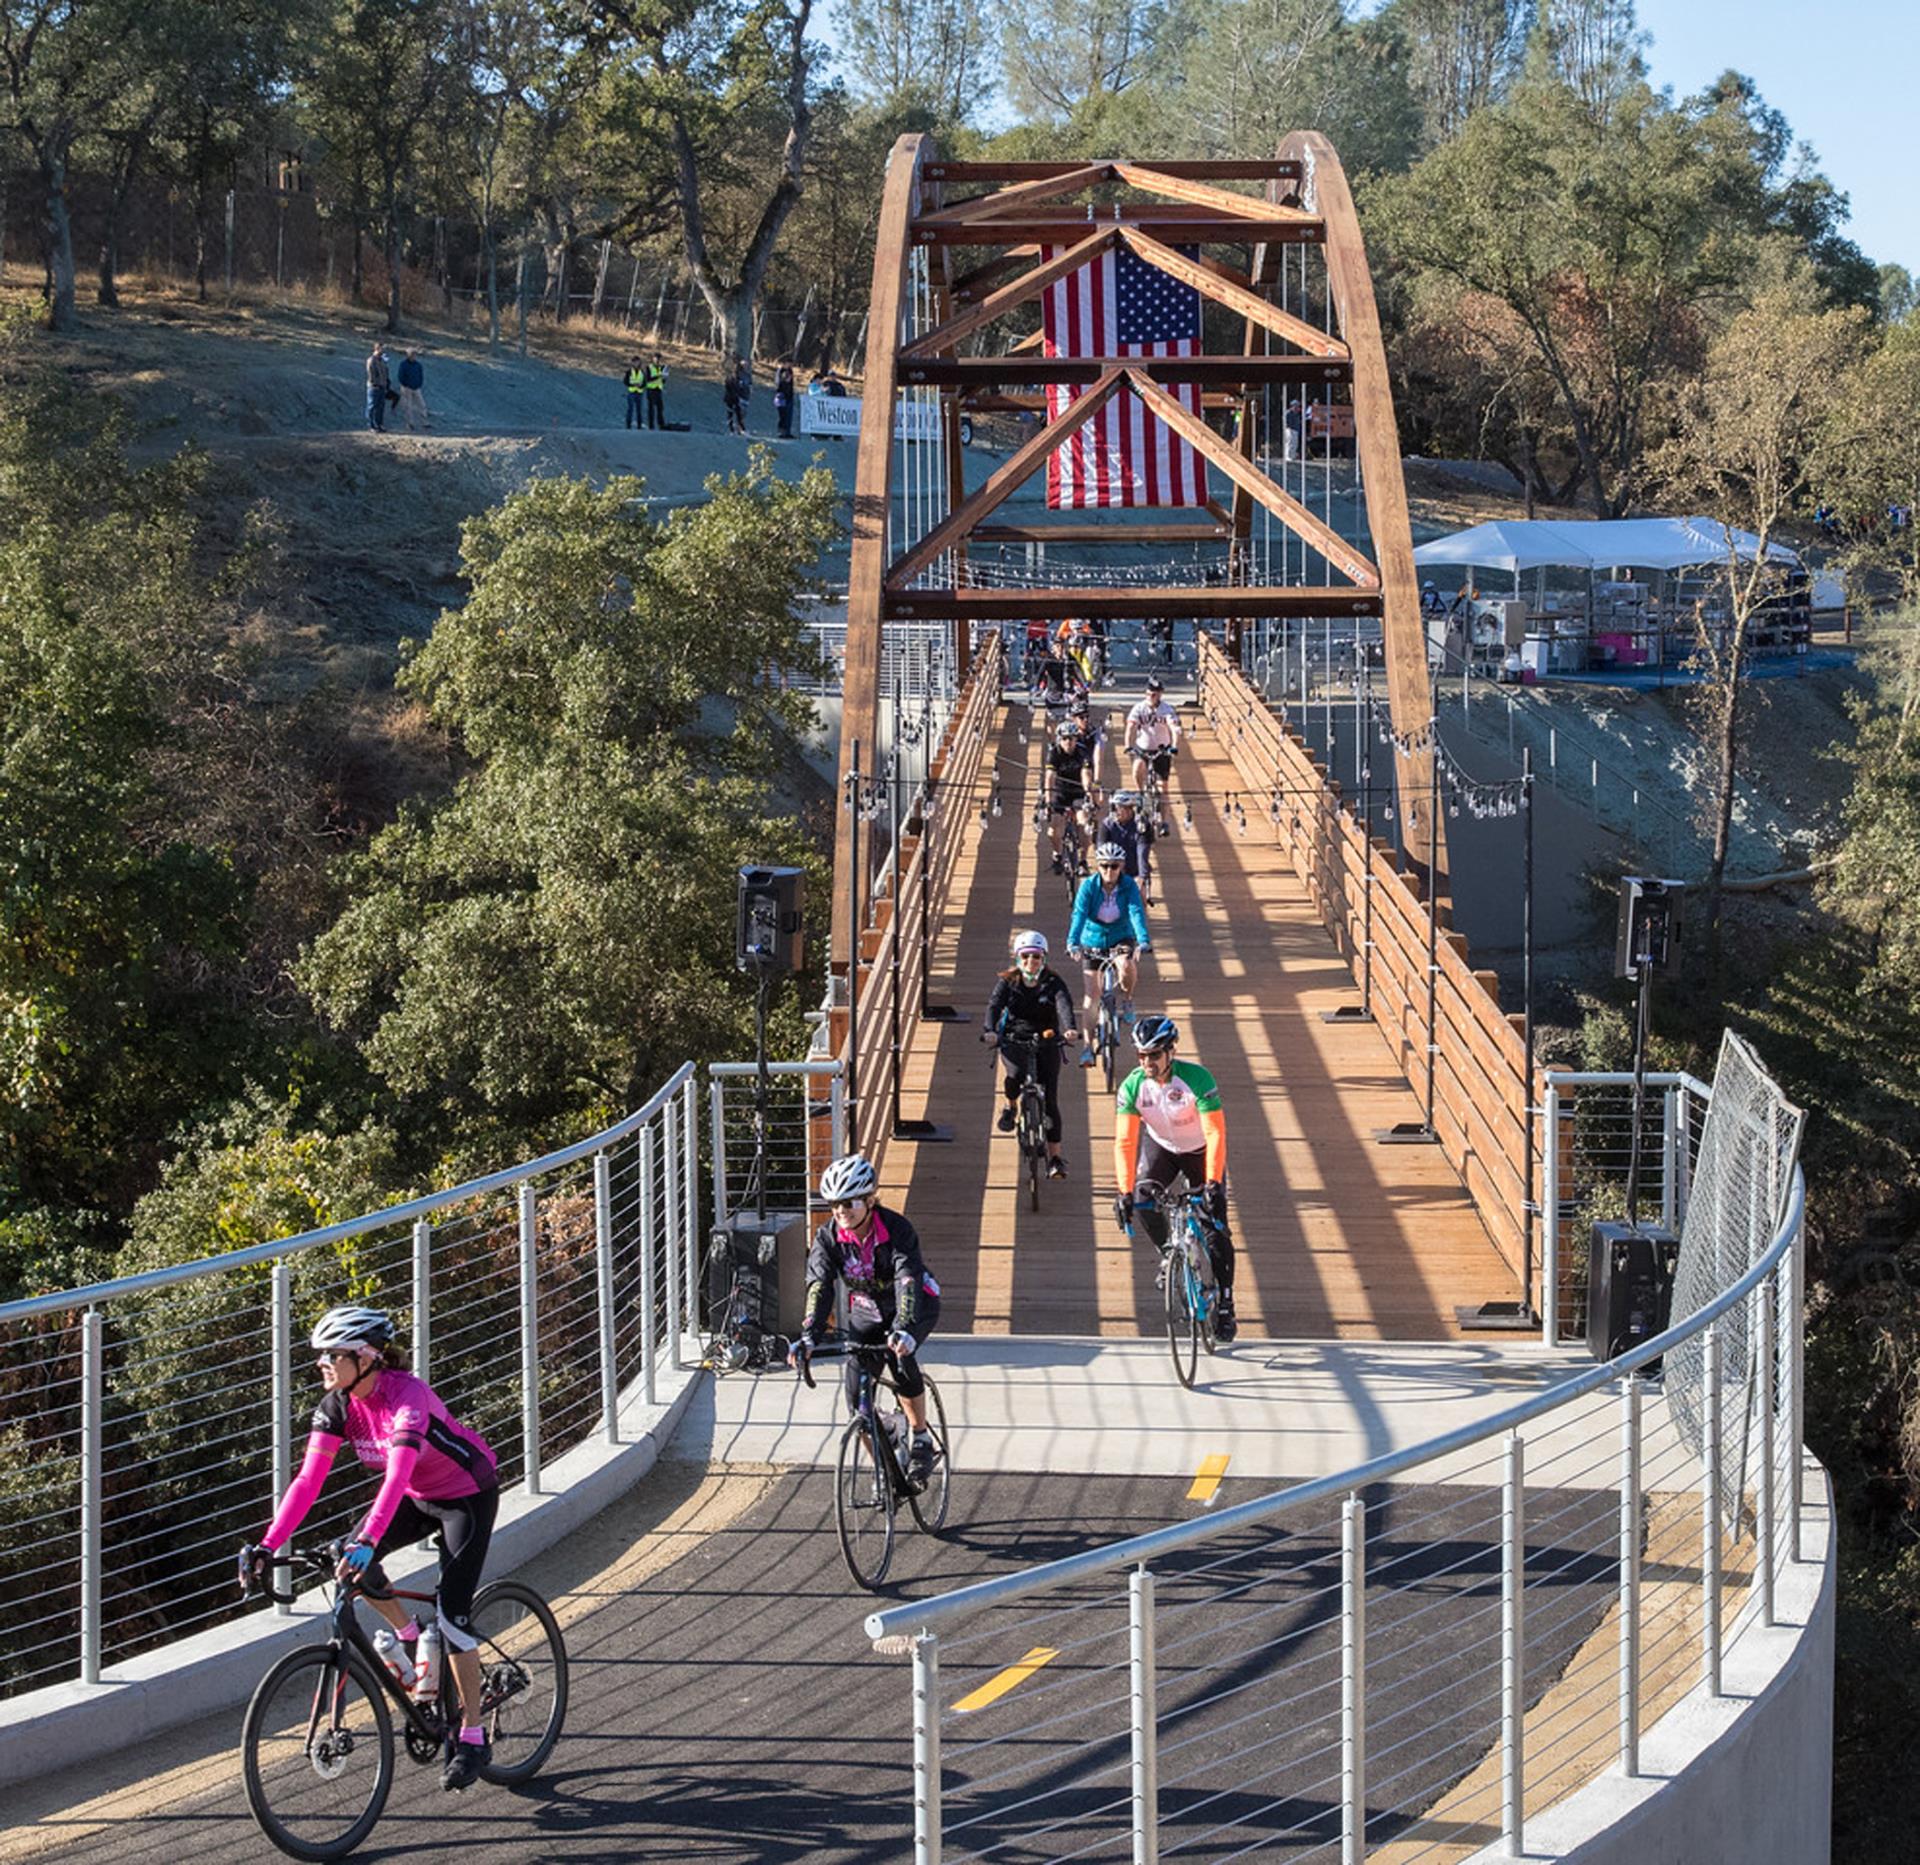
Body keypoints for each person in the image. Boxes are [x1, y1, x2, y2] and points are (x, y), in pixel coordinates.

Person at [244, 1306, 501, 1790]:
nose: (321, 1363)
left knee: (452, 1618)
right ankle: (409, 1637)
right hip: (413, 1498)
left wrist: (367, 1540)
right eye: (321, 1354)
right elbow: (307, 1481)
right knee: (351, 1565)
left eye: (332, 1355)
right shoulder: (338, 1403)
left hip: (465, 1496)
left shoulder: (408, 1398)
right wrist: (267, 1543)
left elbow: (397, 1474)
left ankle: (471, 1735)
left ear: (366, 1357)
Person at [789, 1155, 943, 1486]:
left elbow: (906, 1279)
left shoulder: (897, 1229)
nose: (841, 1212)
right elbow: (819, 1285)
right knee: (858, 1405)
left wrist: (904, 1327)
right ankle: (885, 1469)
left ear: (869, 1200)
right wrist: (808, 1335)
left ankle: (920, 1437)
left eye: (848, 1203)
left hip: (915, 1302)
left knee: (900, 1358)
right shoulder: (828, 1237)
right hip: (868, 1309)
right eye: (834, 1206)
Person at [1111, 1017, 1236, 1341]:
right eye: (1141, 1055)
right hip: (1162, 1148)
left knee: (1214, 1227)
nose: (1146, 1062)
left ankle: (1225, 1302)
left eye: (1153, 1055)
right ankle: (1169, 1252)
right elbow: (1125, 1142)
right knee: (1141, 1201)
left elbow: (1215, 1132)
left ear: (1170, 1052)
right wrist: (1123, 1191)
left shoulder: (1197, 1079)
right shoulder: (1133, 1086)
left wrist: (1212, 1184)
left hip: (1200, 1150)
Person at [982, 930, 1080, 1177]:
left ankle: (1055, 1157)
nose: (1030, 962)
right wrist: (990, 1031)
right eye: (1025, 957)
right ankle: (1011, 1105)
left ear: (1044, 958)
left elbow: (1064, 1004)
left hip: (1047, 1038)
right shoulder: (1008, 982)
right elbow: (994, 1005)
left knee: (1050, 1101)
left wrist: (1069, 1029)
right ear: (1017, 958)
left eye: (1036, 957)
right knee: (1014, 1076)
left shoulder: (1053, 982)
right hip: (1014, 1036)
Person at [1067, 845, 1151, 1062]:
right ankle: (1087, 1046)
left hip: (1120, 935)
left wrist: (1142, 940)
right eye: (1104, 866)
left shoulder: (1128, 885)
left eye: (1114, 866)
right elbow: (1079, 914)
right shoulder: (1088, 887)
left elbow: (1136, 911)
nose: (1109, 871)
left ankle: (1128, 999)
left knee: (1126, 965)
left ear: (1121, 866)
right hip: (1092, 939)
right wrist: (1073, 942)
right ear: (1098, 866)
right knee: (1091, 996)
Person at [1126, 677, 1181, 827]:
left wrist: (1174, 746)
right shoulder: (1139, 708)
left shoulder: (1167, 710)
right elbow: (1130, 728)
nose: (1152, 697)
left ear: (1160, 694)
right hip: (1143, 748)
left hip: (1161, 750)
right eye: (1149, 694)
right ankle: (1140, 793)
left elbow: (1173, 728)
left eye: (1155, 694)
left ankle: (1164, 822)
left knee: (1163, 788)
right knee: (1137, 767)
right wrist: (1128, 745)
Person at [1046, 716, 1097, 874]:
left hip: (1078, 792)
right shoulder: (1054, 753)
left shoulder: (1082, 752)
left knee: (1084, 824)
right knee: (1055, 828)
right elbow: (1050, 778)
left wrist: (1088, 794)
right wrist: (1048, 801)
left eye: (1072, 738)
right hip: (1060, 792)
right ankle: (1057, 855)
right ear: (1059, 739)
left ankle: (1082, 860)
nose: (1069, 742)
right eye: (1065, 738)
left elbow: (1086, 774)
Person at [1098, 788, 1155, 908]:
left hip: (1134, 870)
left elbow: (1142, 854)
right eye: (1114, 807)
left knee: (1139, 894)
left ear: (1130, 809)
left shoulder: (1141, 825)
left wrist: (1142, 878)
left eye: (1120, 808)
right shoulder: (1107, 824)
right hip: (1112, 868)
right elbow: (1101, 852)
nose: (1116, 811)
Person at [396, 349, 430, 431]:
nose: (413, 356)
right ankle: (410, 423)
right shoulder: (403, 364)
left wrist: (419, 384)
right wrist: (405, 385)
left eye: (414, 355)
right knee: (408, 406)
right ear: (408, 355)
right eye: (411, 354)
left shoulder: (418, 365)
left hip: (416, 387)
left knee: (422, 405)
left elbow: (420, 375)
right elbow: (400, 376)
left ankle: (425, 423)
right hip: (407, 388)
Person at [365, 342, 390, 433]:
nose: (384, 351)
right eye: (382, 348)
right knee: (371, 406)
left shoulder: (382, 360)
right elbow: (371, 374)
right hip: (374, 387)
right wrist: (375, 384)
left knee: (381, 407)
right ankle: (371, 425)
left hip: (382, 387)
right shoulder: (371, 360)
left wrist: (386, 383)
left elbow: (385, 373)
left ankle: (379, 424)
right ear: (377, 348)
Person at [644, 355, 668, 429]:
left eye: (658, 359)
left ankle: (661, 424)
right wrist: (659, 376)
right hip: (651, 390)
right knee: (651, 409)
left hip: (658, 390)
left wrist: (664, 378)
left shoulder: (661, 368)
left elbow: (662, 381)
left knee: (660, 408)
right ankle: (651, 425)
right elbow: (648, 379)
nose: (657, 361)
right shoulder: (649, 368)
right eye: (656, 359)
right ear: (652, 359)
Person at [774, 362, 796, 439]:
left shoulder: (790, 371)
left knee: (788, 416)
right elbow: (778, 383)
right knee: (782, 416)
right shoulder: (781, 374)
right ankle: (781, 432)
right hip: (782, 399)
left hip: (789, 398)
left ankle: (787, 432)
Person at [624, 356, 648, 428]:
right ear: (632, 363)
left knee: (639, 409)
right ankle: (628, 424)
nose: (636, 364)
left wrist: (640, 386)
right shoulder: (629, 372)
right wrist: (632, 384)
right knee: (630, 409)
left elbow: (644, 383)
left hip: (639, 393)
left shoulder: (642, 372)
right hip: (631, 392)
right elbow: (625, 381)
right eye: (635, 362)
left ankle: (639, 425)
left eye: (638, 362)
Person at [722, 369, 744, 435]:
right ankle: (731, 430)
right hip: (730, 399)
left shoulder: (739, 380)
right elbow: (728, 389)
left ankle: (739, 429)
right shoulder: (729, 379)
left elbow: (740, 389)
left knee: (739, 414)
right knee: (730, 414)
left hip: (736, 399)